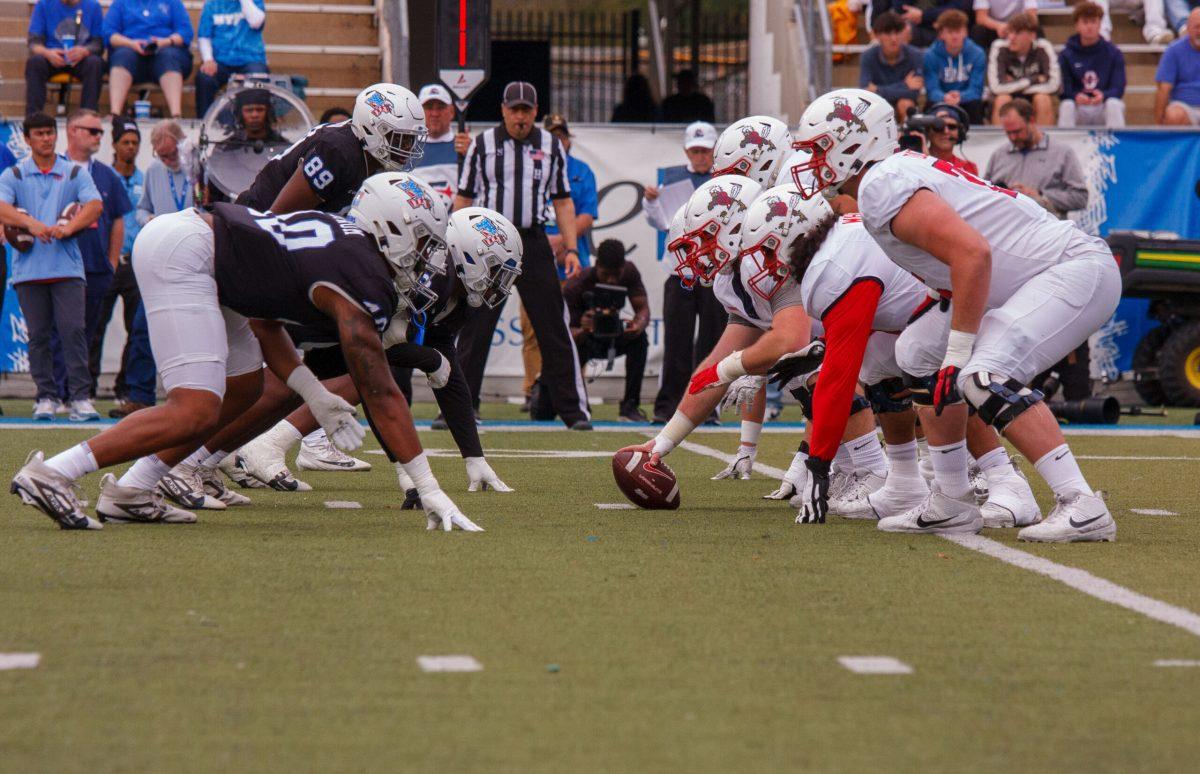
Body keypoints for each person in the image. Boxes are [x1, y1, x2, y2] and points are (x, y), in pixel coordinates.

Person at [10, 181, 479, 532]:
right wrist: (430, 486)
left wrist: (314, 395)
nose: (425, 259)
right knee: (194, 408)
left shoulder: (343, 240)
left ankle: (133, 487)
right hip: (191, 252)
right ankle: (53, 472)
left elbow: (265, 318)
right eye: (421, 242)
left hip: (211, 256)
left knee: (245, 387)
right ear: (391, 228)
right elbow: (378, 387)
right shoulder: (364, 278)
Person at [792, 87, 1120, 542]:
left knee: (981, 376)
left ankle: (1082, 504)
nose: (812, 163)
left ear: (853, 145)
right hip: (1021, 278)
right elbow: (958, 265)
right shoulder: (885, 180)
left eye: (819, 149)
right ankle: (951, 498)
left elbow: (973, 254)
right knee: (916, 351)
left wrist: (959, 351)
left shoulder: (881, 184)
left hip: (1069, 268)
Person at [453, 81, 592, 430]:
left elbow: (562, 200)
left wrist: (572, 247)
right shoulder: (483, 144)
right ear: (503, 109)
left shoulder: (550, 146)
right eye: (514, 109)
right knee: (475, 327)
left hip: (533, 240)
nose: (520, 117)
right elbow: (464, 197)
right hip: (490, 241)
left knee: (553, 327)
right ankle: (459, 407)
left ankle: (573, 411)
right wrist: (454, 243)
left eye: (526, 110)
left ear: (535, 113)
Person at [0, 112, 103, 421]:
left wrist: (68, 229)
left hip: (68, 269)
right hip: (29, 271)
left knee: (73, 332)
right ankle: (45, 397)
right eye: (40, 133)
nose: (46, 138)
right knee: (39, 336)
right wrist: (31, 224)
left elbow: (95, 205)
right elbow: (2, 208)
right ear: (28, 139)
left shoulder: (73, 172)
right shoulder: (14, 174)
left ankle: (81, 399)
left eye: (50, 132)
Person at [641, 121, 726, 423]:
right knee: (676, 342)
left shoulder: (727, 183)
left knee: (712, 345)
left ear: (714, 151)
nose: (700, 156)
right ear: (687, 151)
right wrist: (650, 202)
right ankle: (667, 408)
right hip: (681, 276)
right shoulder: (673, 182)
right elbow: (659, 221)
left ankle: (708, 408)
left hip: (715, 275)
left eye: (704, 151)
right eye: (695, 150)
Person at [237, 83, 426, 214]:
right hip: (258, 218)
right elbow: (278, 218)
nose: (407, 148)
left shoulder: (373, 156)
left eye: (410, 139)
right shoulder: (336, 151)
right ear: (372, 129)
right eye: (400, 139)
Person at [60, 109, 132, 399]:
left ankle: (81, 393)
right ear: (73, 131)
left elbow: (117, 220)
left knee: (89, 333)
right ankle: (54, 394)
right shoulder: (54, 169)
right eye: (93, 131)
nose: (99, 137)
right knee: (58, 333)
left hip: (95, 268)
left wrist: (112, 262)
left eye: (100, 131)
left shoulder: (106, 175)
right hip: (59, 267)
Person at [92, 118, 146, 413]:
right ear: (114, 145)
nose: (130, 147)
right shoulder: (101, 178)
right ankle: (86, 389)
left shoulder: (144, 179)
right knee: (95, 326)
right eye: (125, 141)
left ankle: (125, 388)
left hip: (137, 265)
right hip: (106, 263)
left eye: (135, 142)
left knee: (137, 329)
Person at [564, 239, 651, 422]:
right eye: (606, 274)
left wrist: (637, 324)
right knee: (543, 410)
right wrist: (583, 329)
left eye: (616, 275)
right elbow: (564, 336)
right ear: (596, 266)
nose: (611, 280)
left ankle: (630, 405)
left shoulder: (629, 272)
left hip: (613, 335)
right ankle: (580, 404)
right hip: (585, 340)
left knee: (640, 339)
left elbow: (643, 308)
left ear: (623, 268)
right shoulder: (577, 285)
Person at [985, 99, 1087, 219]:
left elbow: (1080, 198)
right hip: (1007, 230)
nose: (1013, 137)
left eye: (1017, 131)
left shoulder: (1063, 152)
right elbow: (984, 194)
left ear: (1032, 120)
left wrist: (1040, 195)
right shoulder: (998, 155)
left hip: (1047, 232)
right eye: (1008, 133)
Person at [102, 0, 194, 119]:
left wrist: (164, 42)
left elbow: (185, 32)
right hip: (130, 51)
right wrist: (131, 44)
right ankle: (115, 114)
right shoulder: (120, 3)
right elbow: (108, 33)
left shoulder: (172, 2)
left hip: (164, 50)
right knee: (122, 56)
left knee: (168, 57)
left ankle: (176, 115)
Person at [25, 0, 105, 115]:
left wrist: (85, 51)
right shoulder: (44, 4)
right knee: (35, 62)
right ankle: (34, 117)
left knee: (95, 63)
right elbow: (33, 42)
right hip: (52, 56)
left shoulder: (93, 6)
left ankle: (88, 115)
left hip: (81, 59)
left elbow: (99, 43)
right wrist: (47, 53)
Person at [195, 0, 268, 119]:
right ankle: (204, 123)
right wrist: (208, 60)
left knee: (258, 76)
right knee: (204, 78)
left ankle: (254, 125)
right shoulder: (211, 4)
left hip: (251, 60)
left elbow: (256, 22)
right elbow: (204, 36)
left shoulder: (255, 2)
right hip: (221, 62)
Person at [1059, 2, 1128, 128]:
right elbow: (1064, 88)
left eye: (1093, 21)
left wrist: (1103, 95)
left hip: (1102, 106)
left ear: (1100, 24)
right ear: (1077, 26)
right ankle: (1066, 145)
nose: (1090, 27)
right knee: (1066, 105)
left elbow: (1118, 87)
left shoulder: (1114, 53)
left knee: (1114, 104)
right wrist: (1075, 96)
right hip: (1079, 107)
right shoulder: (1066, 54)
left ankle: (1117, 146)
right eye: (1085, 22)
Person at [986, 11, 1060, 125]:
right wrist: (1032, 80)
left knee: (1042, 99)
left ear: (1032, 35)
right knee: (1002, 99)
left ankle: (1042, 142)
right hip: (1010, 97)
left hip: (1035, 97)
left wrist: (1014, 84)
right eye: (1010, 32)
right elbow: (996, 87)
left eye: (1017, 33)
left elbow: (1054, 85)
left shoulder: (1043, 47)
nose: (1011, 37)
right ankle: (1000, 142)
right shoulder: (999, 47)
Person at [409, 83, 471, 206]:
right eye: (429, 107)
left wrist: (471, 157)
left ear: (452, 111)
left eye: (440, 107)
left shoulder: (467, 147)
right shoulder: (406, 150)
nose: (435, 113)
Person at [924, 9, 987, 125]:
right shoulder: (930, 55)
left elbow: (976, 89)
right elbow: (932, 89)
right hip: (941, 99)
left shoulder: (977, 53)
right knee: (930, 104)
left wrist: (961, 96)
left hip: (967, 100)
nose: (954, 36)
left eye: (958, 31)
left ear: (965, 32)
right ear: (941, 34)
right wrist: (945, 97)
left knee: (975, 104)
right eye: (950, 32)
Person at [860, 11, 925, 121]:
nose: (893, 38)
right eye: (888, 33)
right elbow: (866, 92)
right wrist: (905, 85)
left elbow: (914, 93)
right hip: (878, 105)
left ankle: (908, 136)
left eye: (897, 32)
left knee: (905, 103)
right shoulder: (868, 56)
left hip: (904, 104)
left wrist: (877, 89)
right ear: (876, 35)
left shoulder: (916, 55)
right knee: (877, 109)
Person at [1155, 9, 1200, 125]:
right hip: (1184, 107)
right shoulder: (1174, 50)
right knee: (1173, 115)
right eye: (1197, 27)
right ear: (1188, 28)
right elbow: (1163, 89)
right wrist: (1158, 126)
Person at [925, 102, 978, 175]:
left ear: (960, 133)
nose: (946, 131)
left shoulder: (969, 168)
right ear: (927, 131)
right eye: (939, 127)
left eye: (952, 126)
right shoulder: (915, 162)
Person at [893, 0, 971, 47]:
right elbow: (899, 6)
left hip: (942, 22)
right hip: (912, 21)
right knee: (902, 30)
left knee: (952, 29)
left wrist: (924, 15)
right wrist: (916, 15)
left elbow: (958, 7)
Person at [970, 0, 1037, 51]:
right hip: (993, 27)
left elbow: (1031, 16)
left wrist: (1012, 28)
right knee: (978, 30)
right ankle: (983, 64)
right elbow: (981, 18)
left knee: (1034, 29)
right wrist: (998, 26)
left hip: (1019, 26)